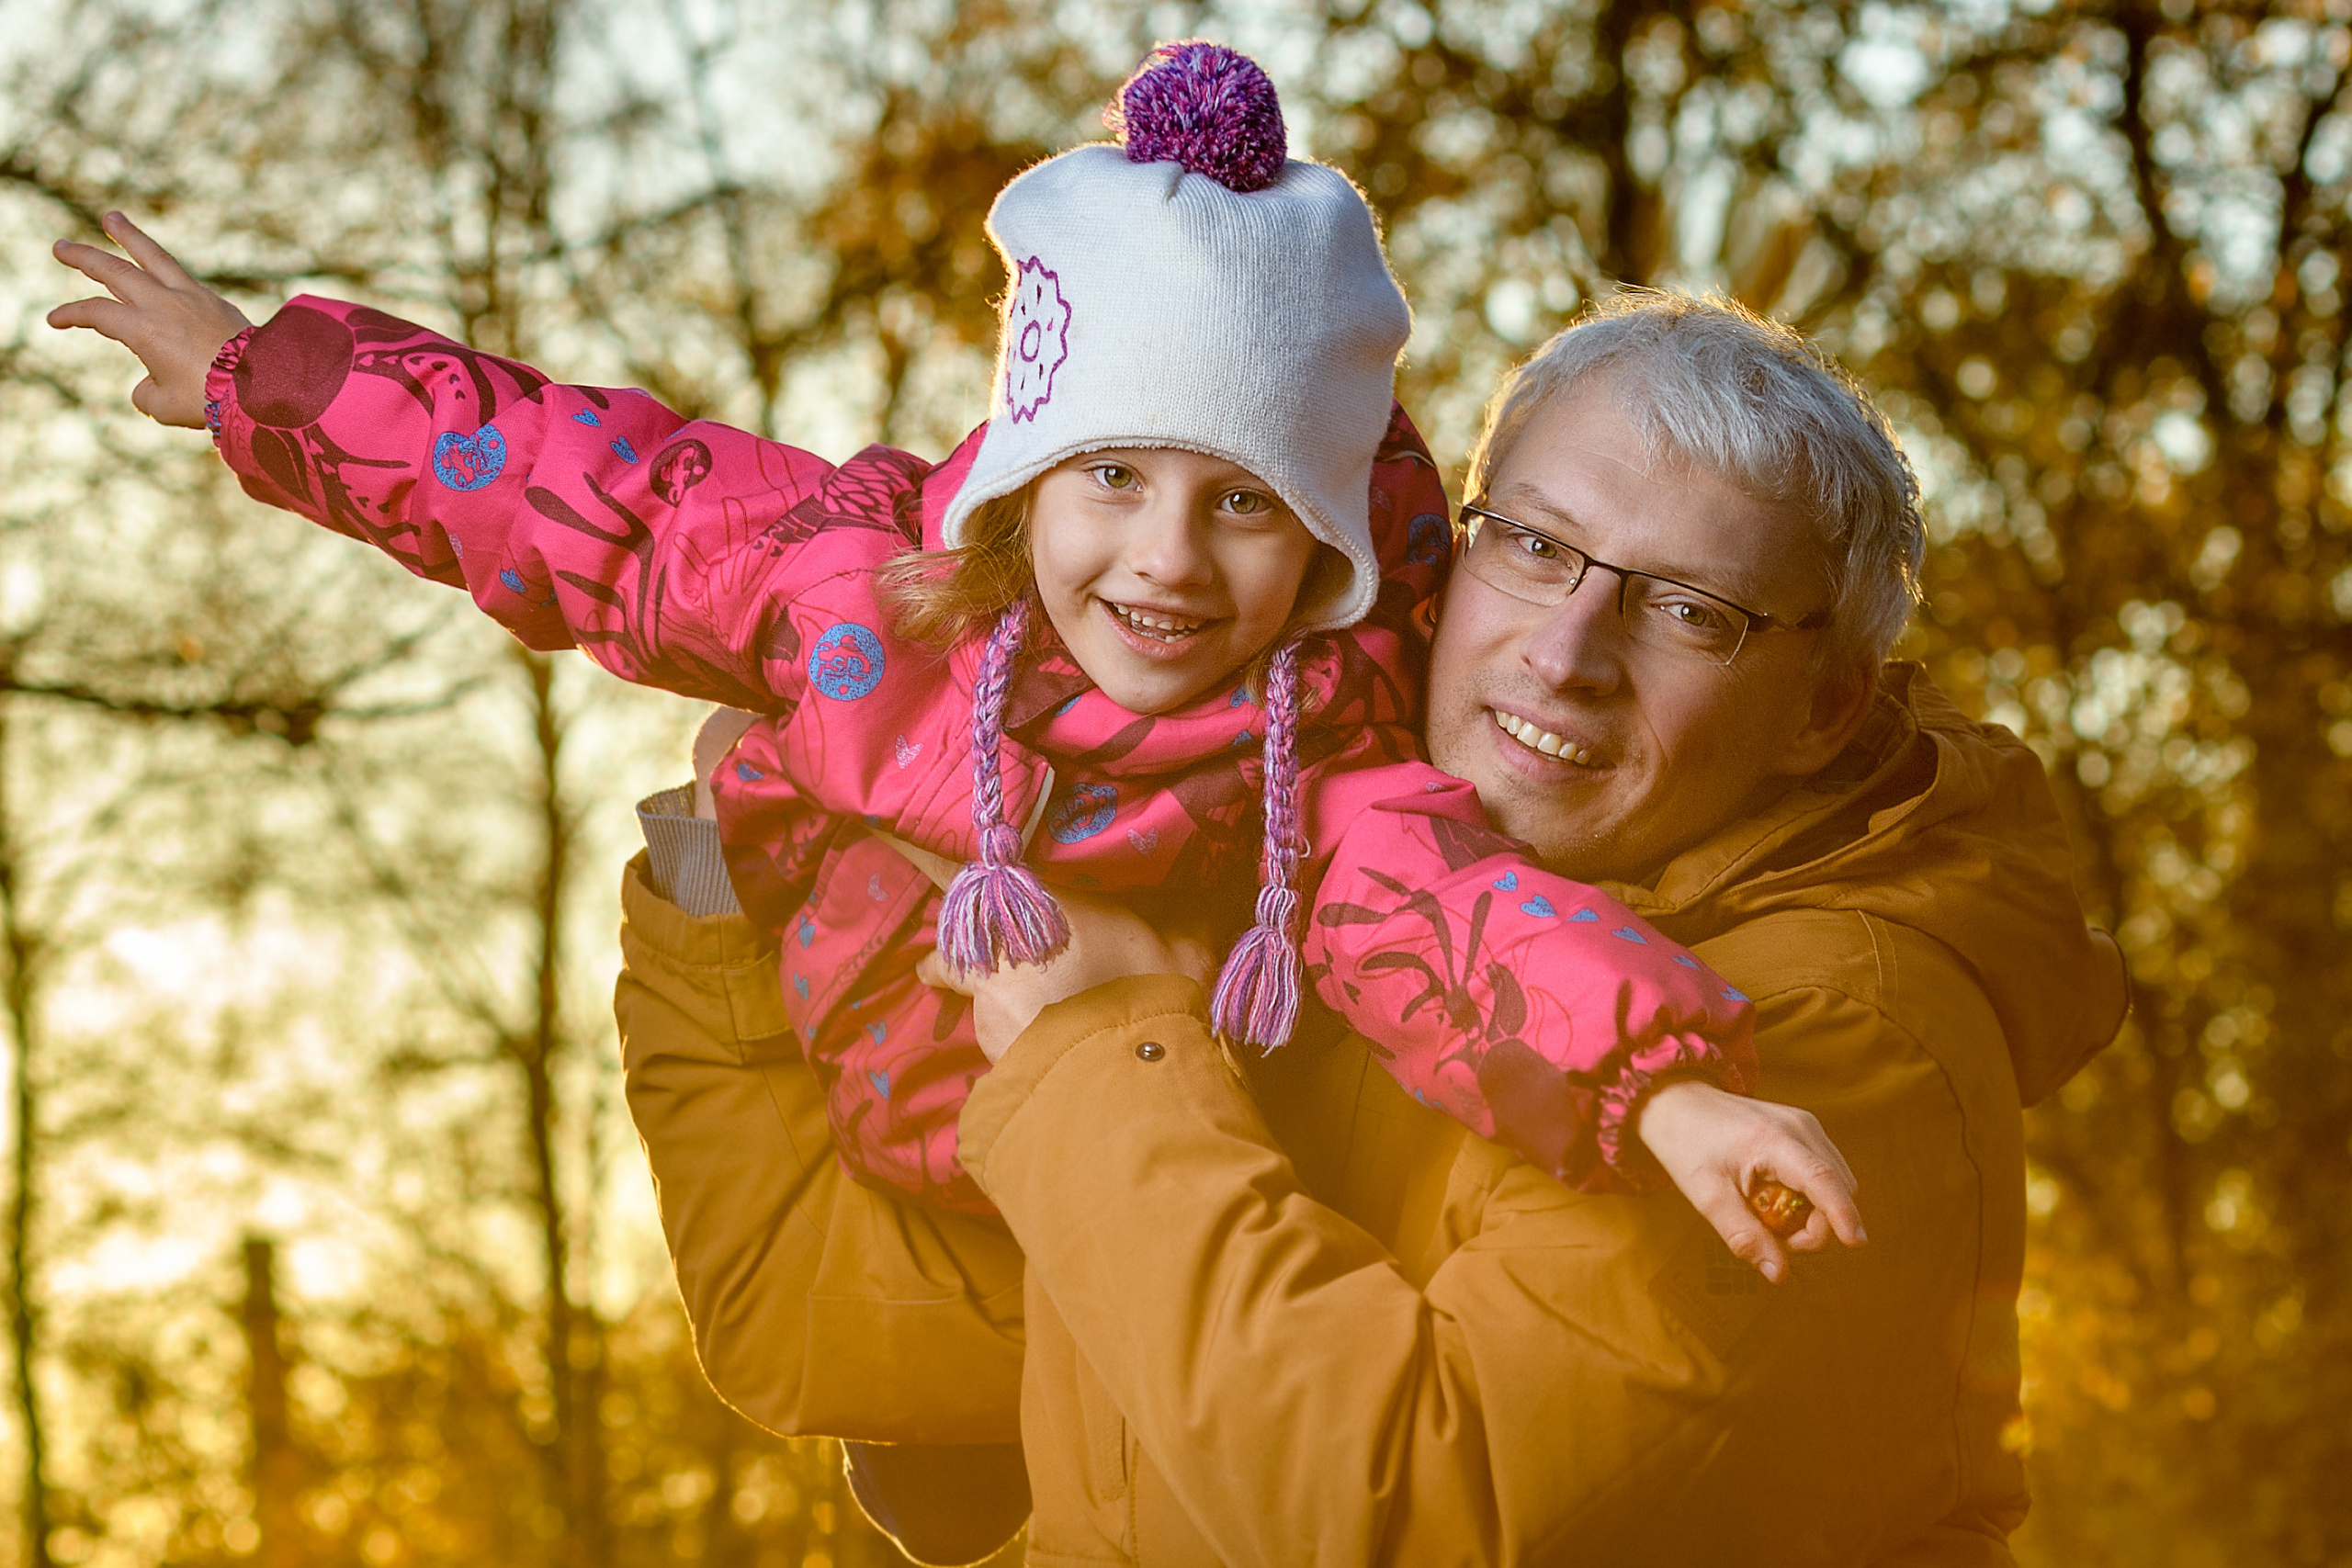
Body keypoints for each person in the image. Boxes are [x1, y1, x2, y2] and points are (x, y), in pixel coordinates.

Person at [51, 45, 1861, 1265]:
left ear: (1315, 536)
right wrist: (265, 381)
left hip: (1092, 1167)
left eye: (1240, 507)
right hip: (855, 1041)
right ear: (1020, 470)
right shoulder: (860, 583)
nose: (1159, 559)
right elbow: (575, 486)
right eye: (1112, 479)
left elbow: (1469, 924)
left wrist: (1668, 1088)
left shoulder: (1332, 756)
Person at [613, 292, 2129, 1563]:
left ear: (1824, 709)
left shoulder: (1810, 1043)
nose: (1567, 652)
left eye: (1690, 611)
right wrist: (728, 857)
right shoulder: (1366, 932)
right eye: (1534, 545)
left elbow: (1402, 1514)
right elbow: (810, 1322)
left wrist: (1095, 1047)